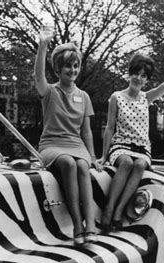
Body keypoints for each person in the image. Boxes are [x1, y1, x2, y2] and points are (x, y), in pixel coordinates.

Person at [99, 46, 164, 231]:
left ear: (147, 80)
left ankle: (119, 210)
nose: (139, 79)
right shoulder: (117, 97)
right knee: (126, 164)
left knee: (140, 165)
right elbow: (109, 127)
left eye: (143, 76)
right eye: (136, 74)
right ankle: (108, 209)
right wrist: (103, 155)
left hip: (142, 148)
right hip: (121, 145)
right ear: (130, 73)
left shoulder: (146, 98)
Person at [34, 27, 101, 246]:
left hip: (75, 144)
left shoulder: (84, 96)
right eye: (67, 66)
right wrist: (43, 45)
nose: (72, 70)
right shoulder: (50, 91)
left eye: (75, 66)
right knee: (68, 164)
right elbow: (38, 76)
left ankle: (90, 223)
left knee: (82, 166)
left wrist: (92, 156)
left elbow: (86, 131)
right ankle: (77, 225)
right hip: (52, 144)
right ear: (58, 69)